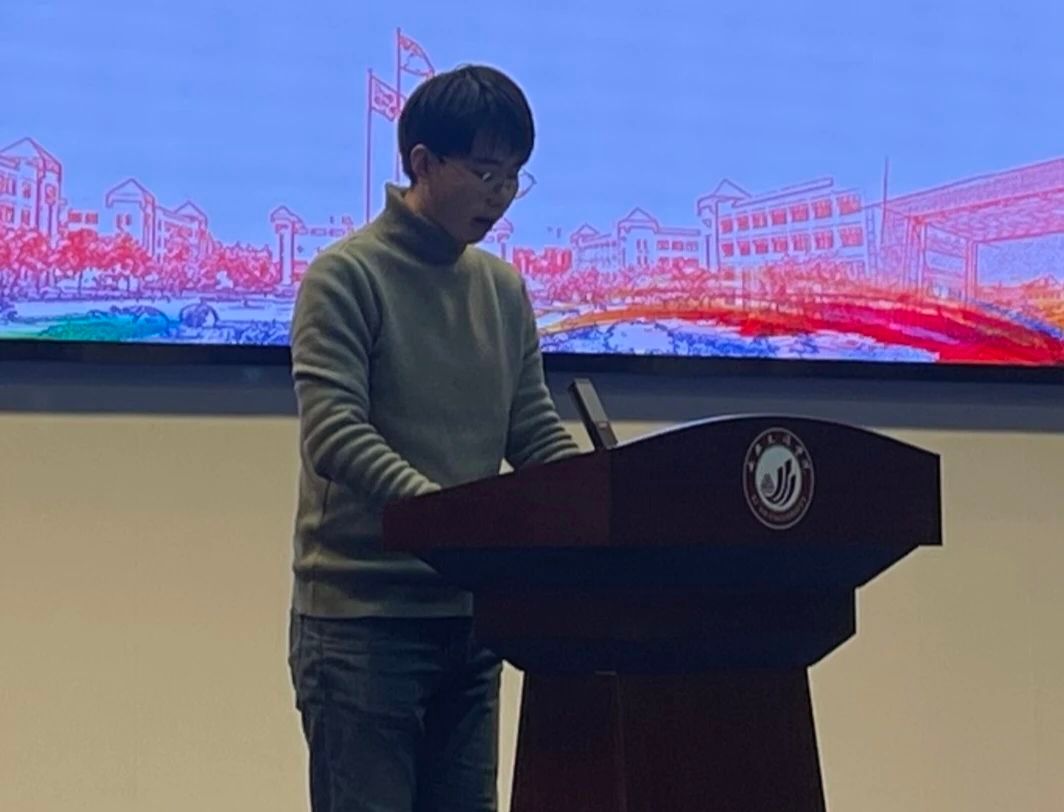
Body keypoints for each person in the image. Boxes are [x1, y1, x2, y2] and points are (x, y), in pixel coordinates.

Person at [287, 64, 580, 812]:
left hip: (473, 620)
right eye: (484, 172)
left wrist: (599, 501)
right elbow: (335, 433)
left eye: (513, 177)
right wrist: (447, 520)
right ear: (422, 162)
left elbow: (531, 429)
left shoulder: (502, 289)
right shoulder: (345, 276)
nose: (500, 194)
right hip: (362, 626)